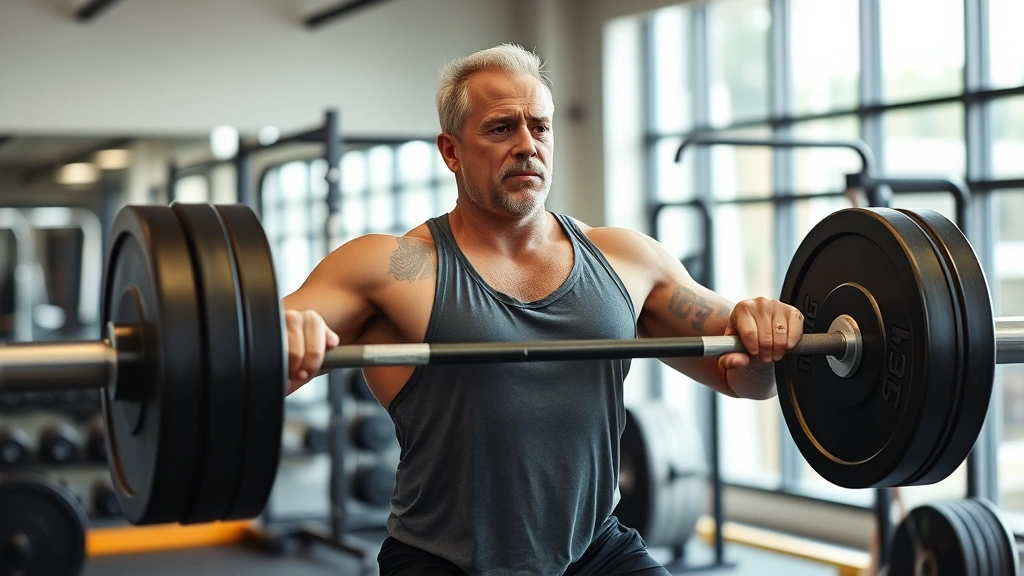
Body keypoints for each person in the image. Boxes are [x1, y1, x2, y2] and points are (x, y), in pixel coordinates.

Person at [283, 43, 804, 576]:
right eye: (501, 128)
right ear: (451, 151)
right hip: (446, 561)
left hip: (596, 552)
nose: (528, 146)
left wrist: (765, 341)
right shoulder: (392, 267)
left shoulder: (627, 258)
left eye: (541, 127)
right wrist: (287, 336)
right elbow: (251, 354)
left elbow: (746, 380)